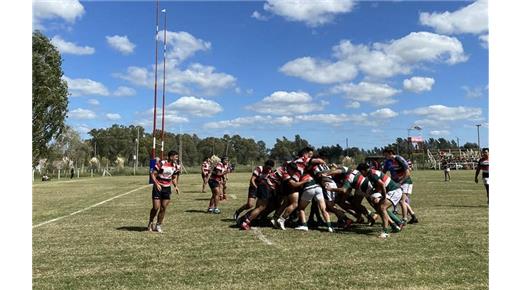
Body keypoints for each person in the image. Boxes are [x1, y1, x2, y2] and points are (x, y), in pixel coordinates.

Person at [382, 148, 418, 224]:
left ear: (390, 153)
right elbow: (383, 172)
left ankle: (404, 219)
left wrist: (400, 182)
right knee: (401, 201)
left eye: (386, 155)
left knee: (402, 201)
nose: (385, 157)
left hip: (406, 182)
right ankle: (413, 216)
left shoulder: (399, 159)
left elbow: (408, 173)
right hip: (398, 183)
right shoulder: (388, 161)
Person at [148, 150, 181, 233]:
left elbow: (173, 177)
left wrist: (176, 186)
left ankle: (158, 225)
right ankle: (150, 222)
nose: (177, 159)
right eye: (176, 157)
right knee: (156, 207)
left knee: (163, 208)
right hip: (158, 187)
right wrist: (157, 184)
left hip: (167, 188)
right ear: (171, 157)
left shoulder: (176, 166)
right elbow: (152, 174)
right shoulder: (161, 163)